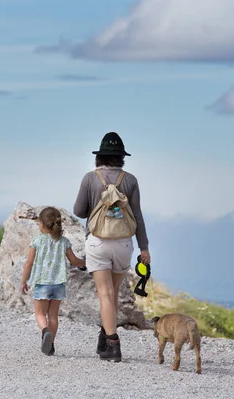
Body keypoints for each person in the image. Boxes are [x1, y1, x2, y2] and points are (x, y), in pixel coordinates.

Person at [73, 132, 151, 362]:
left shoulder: (90, 178)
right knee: (113, 293)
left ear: (100, 157)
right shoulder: (131, 180)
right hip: (124, 243)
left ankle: (113, 344)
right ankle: (104, 335)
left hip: (98, 242)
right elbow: (137, 216)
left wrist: (97, 208)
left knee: (104, 294)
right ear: (121, 158)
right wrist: (144, 248)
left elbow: (78, 211)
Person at [20, 206, 86, 356]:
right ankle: (51, 345)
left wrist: (23, 281)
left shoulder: (37, 241)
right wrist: (86, 263)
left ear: (42, 224)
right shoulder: (64, 242)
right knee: (53, 316)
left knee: (40, 314)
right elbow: (74, 261)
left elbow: (28, 263)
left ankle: (45, 331)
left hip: (42, 283)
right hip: (58, 284)